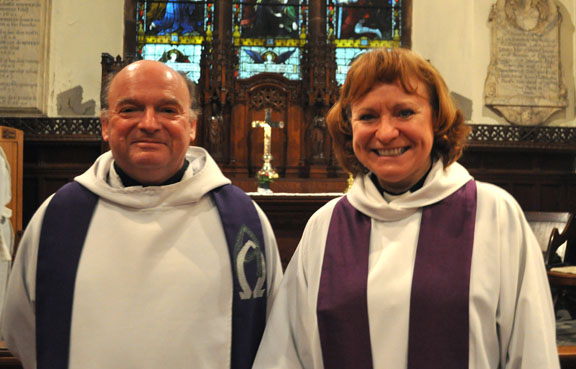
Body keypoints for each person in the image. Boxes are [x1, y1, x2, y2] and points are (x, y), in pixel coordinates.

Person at [253, 48, 560, 369]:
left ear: (437, 119)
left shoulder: (494, 215)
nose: (386, 133)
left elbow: (532, 351)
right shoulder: (325, 226)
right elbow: (285, 354)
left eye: (404, 113)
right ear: (349, 127)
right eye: (368, 116)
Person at [2, 60, 283, 369]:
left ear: (191, 126)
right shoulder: (58, 218)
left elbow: (273, 332)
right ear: (106, 125)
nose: (149, 123)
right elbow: (24, 333)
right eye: (129, 109)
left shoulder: (242, 221)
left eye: (168, 109)